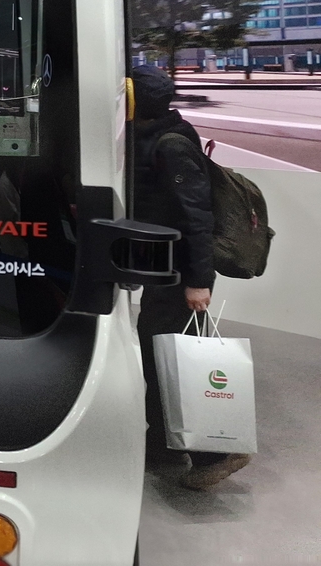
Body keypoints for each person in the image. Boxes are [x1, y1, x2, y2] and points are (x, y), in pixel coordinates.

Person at [131, 64, 250, 490]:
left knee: (179, 364)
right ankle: (164, 444)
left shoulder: (171, 144)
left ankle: (216, 454)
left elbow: (197, 216)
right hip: (163, 270)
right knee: (157, 355)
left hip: (180, 274)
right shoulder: (151, 136)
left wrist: (200, 281)